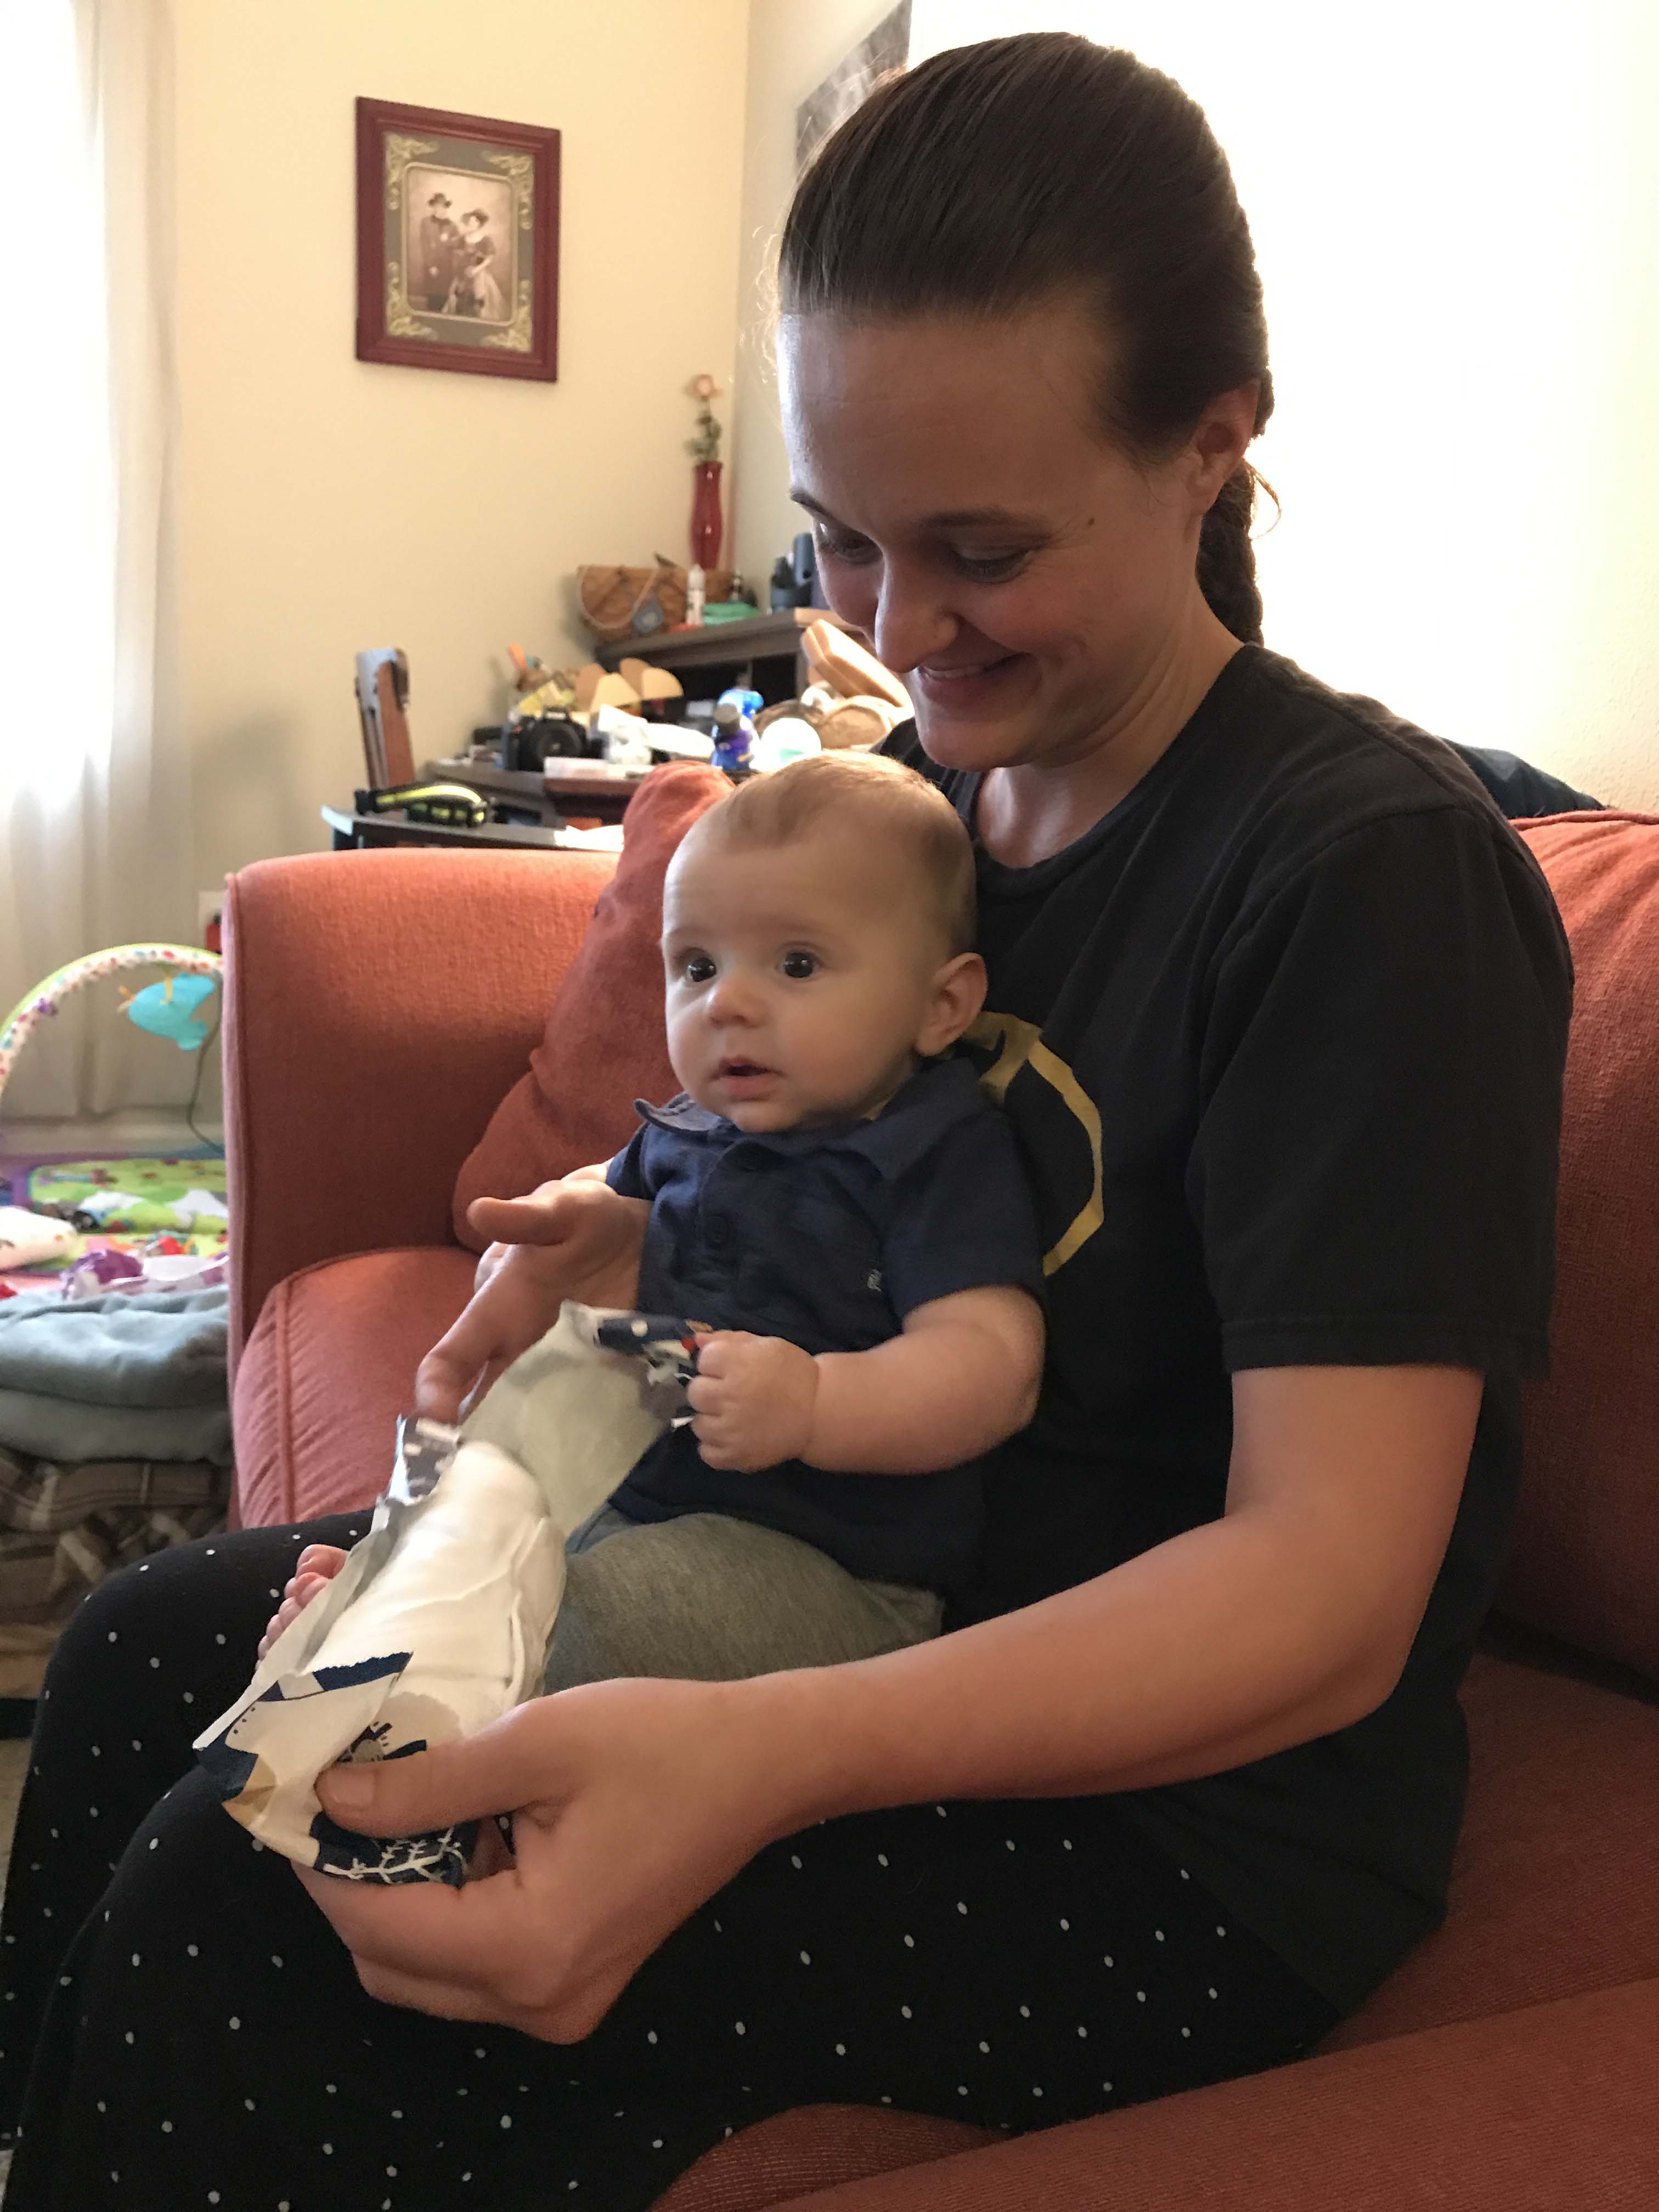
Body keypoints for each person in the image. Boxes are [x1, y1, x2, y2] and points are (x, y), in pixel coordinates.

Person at [0, 33, 1571, 2211]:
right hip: (821, 1567)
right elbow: (813, 1178)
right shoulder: (925, 824)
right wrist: (615, 1238)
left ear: (1212, 446)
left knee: (247, 1895)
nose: (903, 635)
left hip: (1179, 1818)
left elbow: (1327, 1595)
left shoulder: (1365, 879)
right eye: (843, 546)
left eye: (982, 550)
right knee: (137, 1658)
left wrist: (751, 1760)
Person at [258, 754, 1046, 1700]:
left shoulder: (933, 1151)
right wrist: (564, 1228)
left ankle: (395, 1667)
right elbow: (615, 1216)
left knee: (580, 1630)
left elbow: (993, 1365)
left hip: (828, 1571)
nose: (727, 1003)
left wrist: (817, 1405)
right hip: (629, 1502)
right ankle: (387, 1622)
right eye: (696, 967)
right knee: (486, 1527)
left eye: (797, 964)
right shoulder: (688, 1126)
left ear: (941, 1004)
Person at [415, 191, 459, 313]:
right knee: (432, 299)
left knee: (444, 299)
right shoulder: (425, 222)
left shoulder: (452, 225)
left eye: (441, 206)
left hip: (447, 267)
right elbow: (424, 245)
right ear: (433, 207)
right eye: (436, 206)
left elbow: (458, 244)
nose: (438, 209)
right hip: (431, 265)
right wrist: (431, 266)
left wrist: (447, 241)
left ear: (446, 208)